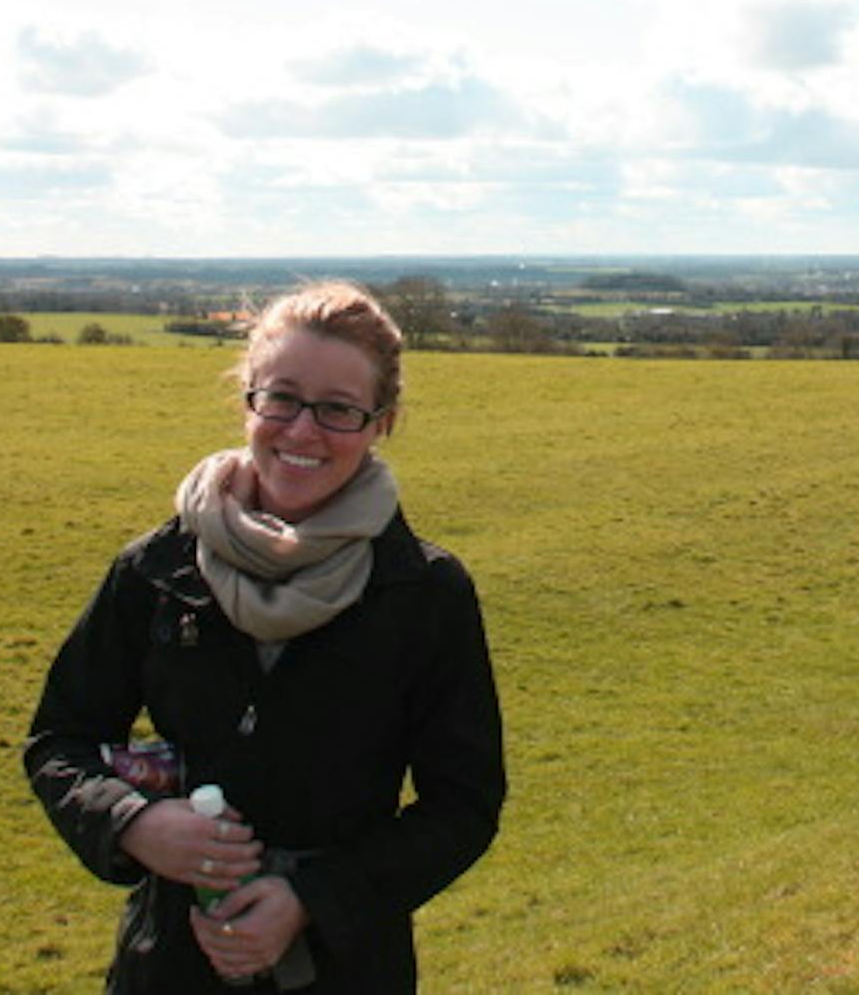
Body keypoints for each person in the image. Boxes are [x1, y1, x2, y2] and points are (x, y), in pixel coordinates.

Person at [25, 281, 506, 991]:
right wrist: (132, 822)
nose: (302, 431)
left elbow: (463, 807)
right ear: (247, 399)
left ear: (383, 423)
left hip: (345, 968)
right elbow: (58, 740)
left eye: (338, 409)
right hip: (171, 961)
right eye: (281, 397)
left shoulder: (425, 593)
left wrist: (311, 899)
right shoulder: (155, 570)